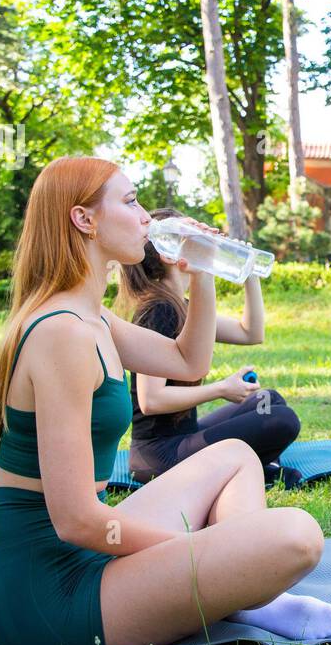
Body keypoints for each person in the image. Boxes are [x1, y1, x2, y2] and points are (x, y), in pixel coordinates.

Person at [0, 156, 331, 645]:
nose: (146, 216)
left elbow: (187, 360)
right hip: (53, 598)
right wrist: (203, 550)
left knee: (236, 454)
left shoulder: (92, 315)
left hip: (88, 556)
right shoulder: (62, 333)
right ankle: (240, 586)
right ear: (85, 220)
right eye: (130, 202)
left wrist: (204, 269)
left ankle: (240, 591)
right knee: (296, 537)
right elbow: (78, 521)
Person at [115, 207, 303, 490]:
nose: (206, 238)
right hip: (159, 456)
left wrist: (249, 271)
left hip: (184, 438)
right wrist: (221, 389)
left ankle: (251, 468)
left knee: (269, 401)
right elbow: (150, 400)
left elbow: (250, 332)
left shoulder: (183, 306)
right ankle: (255, 470)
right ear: (170, 254)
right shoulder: (158, 310)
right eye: (195, 236)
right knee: (282, 420)